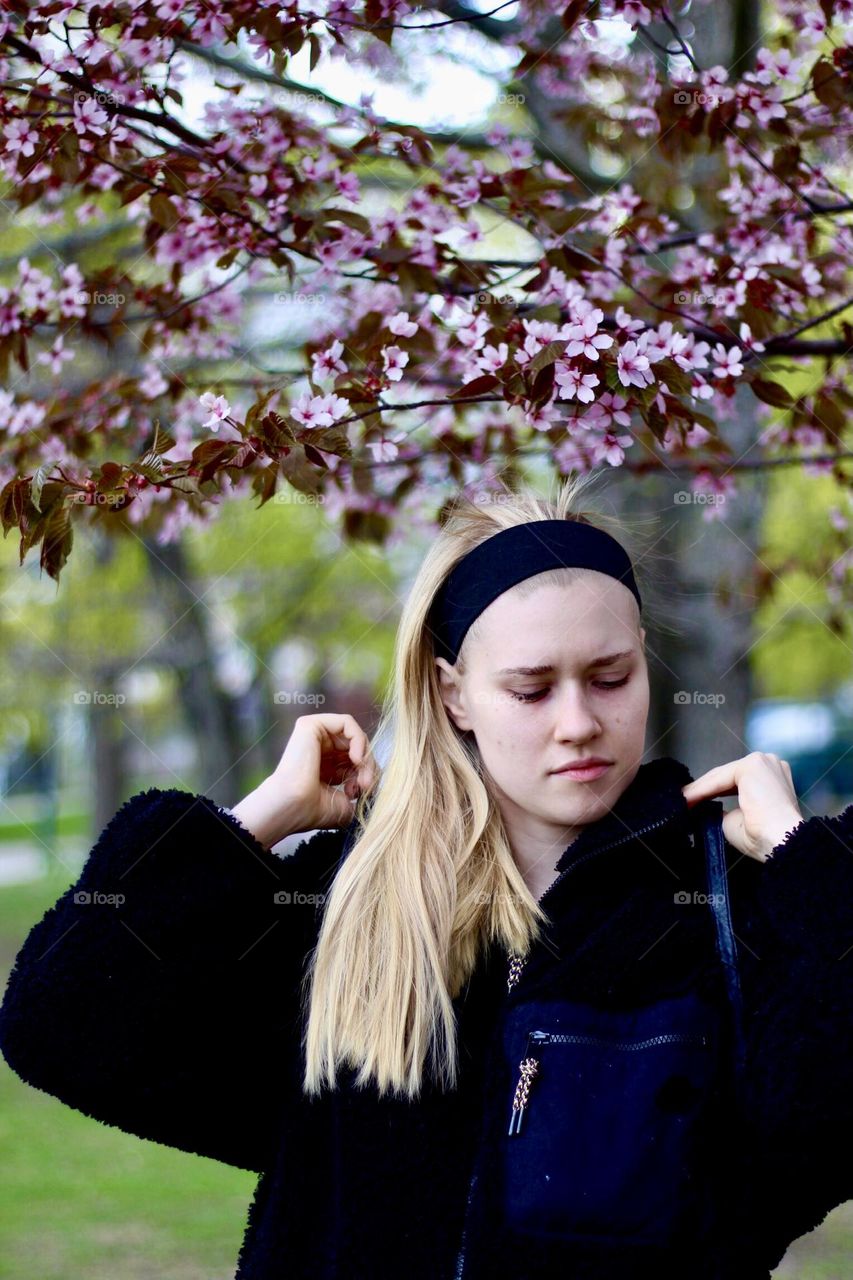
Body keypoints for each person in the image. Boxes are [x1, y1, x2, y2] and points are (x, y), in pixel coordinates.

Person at [1, 476, 852, 1280]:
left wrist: (801, 859)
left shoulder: (722, 902)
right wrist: (254, 824)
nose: (579, 724)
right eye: (530, 690)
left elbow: (814, 1137)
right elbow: (60, 1024)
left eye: (609, 677)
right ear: (454, 696)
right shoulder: (350, 902)